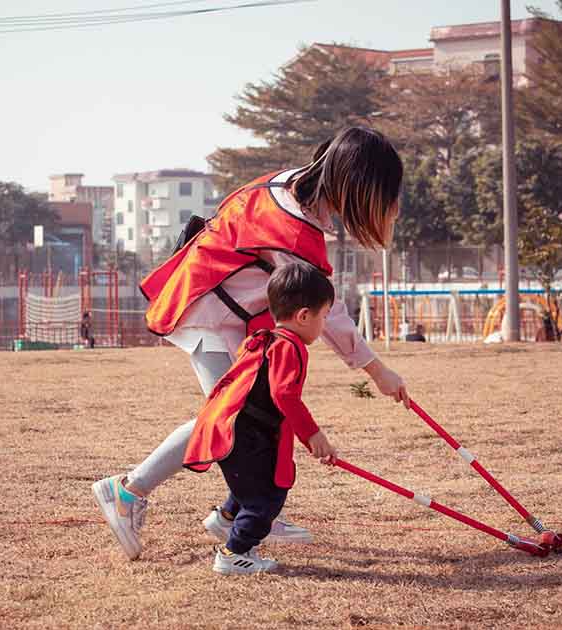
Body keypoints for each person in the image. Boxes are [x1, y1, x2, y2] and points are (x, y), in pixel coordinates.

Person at [92, 127, 410, 561]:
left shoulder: (292, 185)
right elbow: (325, 311)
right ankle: (127, 491)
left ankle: (235, 513)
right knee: (229, 419)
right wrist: (377, 371)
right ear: (356, 184)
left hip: (224, 311)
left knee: (260, 416)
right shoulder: (293, 232)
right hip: (204, 312)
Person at [185, 263, 336, 575]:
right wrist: (313, 435)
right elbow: (284, 394)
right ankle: (233, 553)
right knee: (266, 499)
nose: (324, 324)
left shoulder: (266, 338)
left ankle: (225, 518)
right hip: (244, 434)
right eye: (324, 316)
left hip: (236, 430)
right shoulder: (289, 347)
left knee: (254, 484)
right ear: (304, 316)